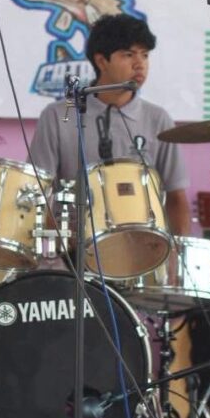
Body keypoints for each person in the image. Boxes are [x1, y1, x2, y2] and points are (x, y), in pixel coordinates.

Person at [29, 13, 191, 244]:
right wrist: (66, 244)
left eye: (145, 55)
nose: (140, 64)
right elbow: (36, 192)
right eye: (128, 55)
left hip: (143, 251)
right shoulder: (58, 116)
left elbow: (176, 197)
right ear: (101, 61)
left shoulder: (158, 119)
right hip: (74, 254)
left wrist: (177, 252)